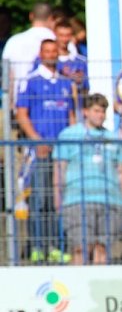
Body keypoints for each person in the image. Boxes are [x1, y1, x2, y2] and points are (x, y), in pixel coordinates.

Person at [16, 39, 75, 263]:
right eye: (46, 51)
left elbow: (70, 116)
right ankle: (37, 246)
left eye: (53, 51)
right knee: (39, 199)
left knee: (57, 200)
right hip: (39, 151)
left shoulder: (64, 83)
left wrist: (70, 143)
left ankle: (56, 245)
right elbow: (22, 114)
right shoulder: (31, 81)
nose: (50, 55)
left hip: (61, 152)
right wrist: (36, 140)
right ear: (40, 54)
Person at [53, 93, 122, 265]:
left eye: (103, 112)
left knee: (102, 249)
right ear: (85, 111)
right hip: (77, 199)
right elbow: (59, 168)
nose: (100, 115)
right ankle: (77, 289)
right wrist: (58, 196)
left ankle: (98, 290)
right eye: (96, 111)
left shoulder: (113, 137)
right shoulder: (69, 135)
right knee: (80, 249)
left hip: (111, 200)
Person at [2, 2, 54, 104]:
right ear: (51, 17)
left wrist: (10, 104)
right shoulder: (58, 40)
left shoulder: (13, 41)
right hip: (54, 103)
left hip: (19, 101)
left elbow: (8, 76)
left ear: (31, 16)